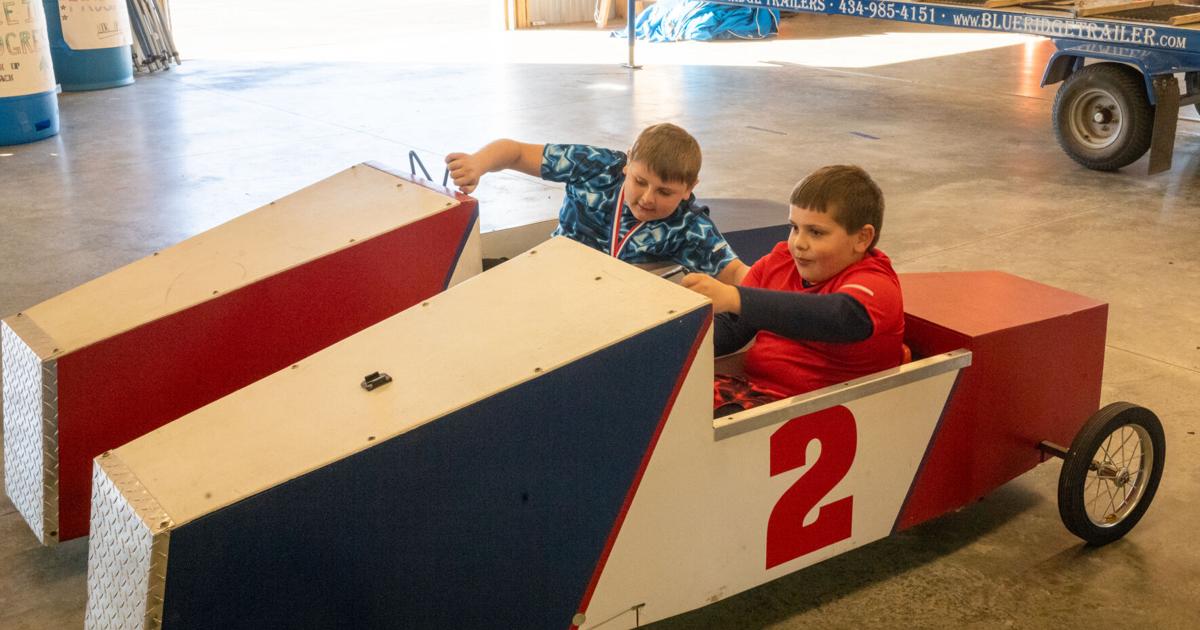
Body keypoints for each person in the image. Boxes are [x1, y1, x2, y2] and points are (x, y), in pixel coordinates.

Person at [681, 165, 905, 414]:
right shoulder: (780, 261)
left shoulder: (875, 282)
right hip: (753, 394)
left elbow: (838, 317)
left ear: (862, 238)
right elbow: (732, 328)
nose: (799, 243)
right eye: (794, 227)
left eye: (816, 232)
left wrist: (735, 297)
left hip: (821, 411)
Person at [446, 123, 748, 284]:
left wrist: (786, 289)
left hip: (609, 313)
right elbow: (514, 152)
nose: (647, 199)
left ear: (689, 189)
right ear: (628, 162)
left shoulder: (690, 226)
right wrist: (478, 163)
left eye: (664, 192)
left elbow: (736, 274)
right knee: (461, 280)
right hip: (543, 276)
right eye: (640, 182)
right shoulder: (596, 166)